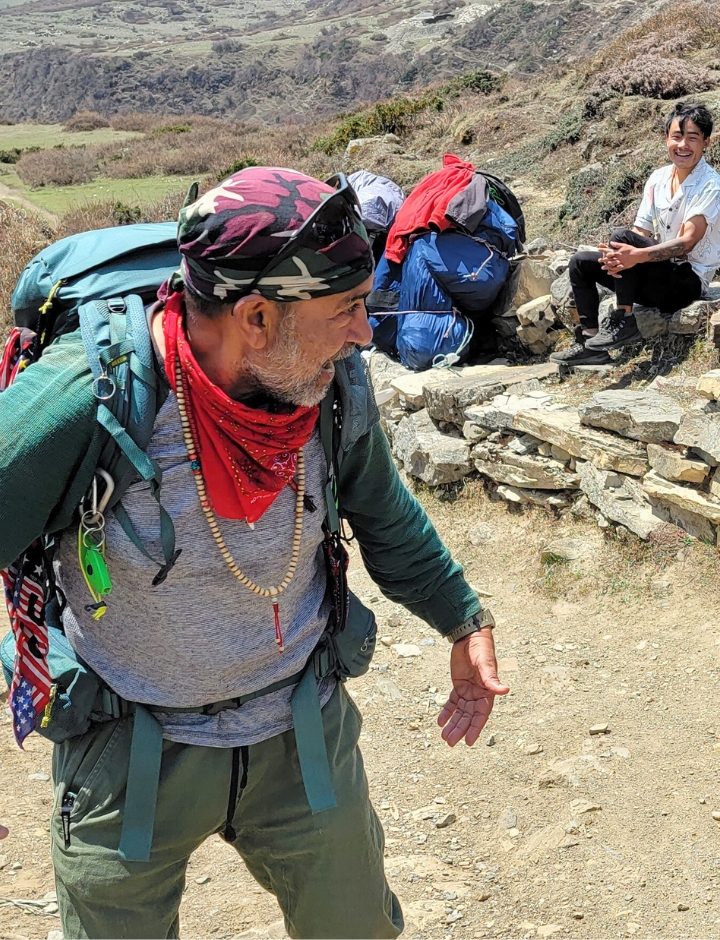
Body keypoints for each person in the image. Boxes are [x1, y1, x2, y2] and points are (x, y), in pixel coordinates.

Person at [0, 167, 506, 938]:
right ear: (257, 317)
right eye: (346, 310)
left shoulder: (330, 385)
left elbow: (384, 513)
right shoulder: (91, 396)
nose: (366, 333)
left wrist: (463, 620)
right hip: (126, 742)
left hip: (300, 730)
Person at [551, 100, 720, 365]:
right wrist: (619, 259)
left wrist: (636, 255)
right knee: (581, 264)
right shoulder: (658, 178)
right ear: (666, 138)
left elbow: (688, 243)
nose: (683, 146)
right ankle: (590, 345)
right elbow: (639, 231)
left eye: (692, 138)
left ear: (706, 142)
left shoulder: (711, 185)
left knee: (621, 239)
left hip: (686, 281)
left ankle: (624, 319)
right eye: (677, 137)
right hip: (657, 273)